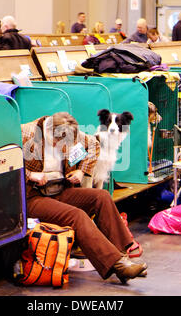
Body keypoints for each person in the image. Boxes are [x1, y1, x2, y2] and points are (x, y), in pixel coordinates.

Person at [21, 112, 147, 283]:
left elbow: (94, 145)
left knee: (101, 196)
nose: (63, 149)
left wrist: (82, 170)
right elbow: (4, 164)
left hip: (59, 189)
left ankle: (123, 256)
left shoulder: (69, 131)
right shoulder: (26, 134)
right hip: (32, 196)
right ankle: (118, 266)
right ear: (49, 132)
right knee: (76, 215)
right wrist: (30, 175)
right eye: (59, 144)